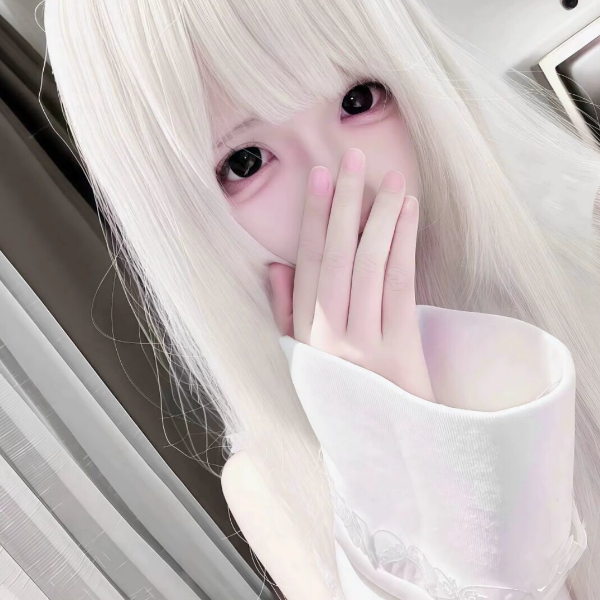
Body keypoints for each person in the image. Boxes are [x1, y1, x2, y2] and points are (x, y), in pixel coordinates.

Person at [43, 0, 600, 598]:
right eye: (245, 162)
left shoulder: (582, 273)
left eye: (359, 99)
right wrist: (386, 433)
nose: (341, 186)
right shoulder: (268, 485)